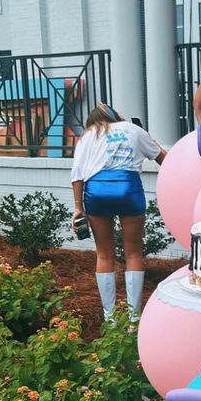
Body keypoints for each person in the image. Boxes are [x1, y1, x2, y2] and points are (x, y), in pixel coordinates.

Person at [70, 103, 166, 321]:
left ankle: (110, 319)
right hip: (128, 188)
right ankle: (134, 318)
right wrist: (153, 143)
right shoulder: (133, 129)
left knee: (104, 254)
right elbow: (164, 159)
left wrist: (78, 208)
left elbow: (77, 175)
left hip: (97, 191)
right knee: (133, 253)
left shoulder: (88, 135)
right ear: (114, 115)